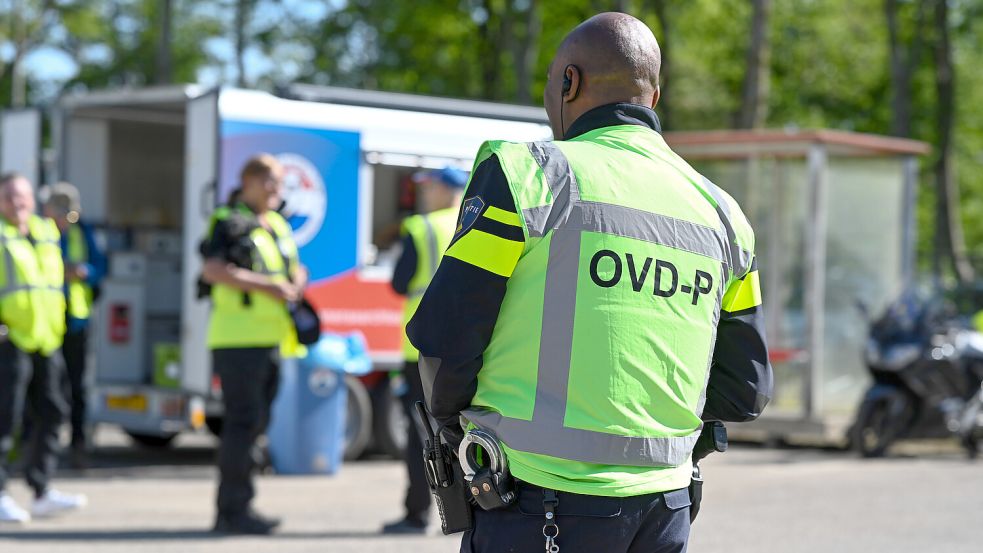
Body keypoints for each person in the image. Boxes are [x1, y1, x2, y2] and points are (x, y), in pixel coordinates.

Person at [407, 13, 773, 553]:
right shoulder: (722, 214)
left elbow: (446, 339)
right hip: (665, 507)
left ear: (568, 83)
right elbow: (745, 389)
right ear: (654, 96)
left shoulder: (528, 174)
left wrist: (456, 433)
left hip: (534, 501)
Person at [201, 154, 308, 535]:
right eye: (271, 183)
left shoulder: (277, 223)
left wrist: (296, 277)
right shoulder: (227, 221)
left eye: (280, 184)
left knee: (255, 424)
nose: (277, 191)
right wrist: (270, 287)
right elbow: (212, 270)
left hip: (272, 338)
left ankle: (238, 505)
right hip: (237, 340)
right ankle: (232, 511)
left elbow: (290, 265)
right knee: (242, 424)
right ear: (248, 181)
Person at [382, 166, 467, 534]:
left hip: (420, 350)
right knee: (465, 432)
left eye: (430, 186)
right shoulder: (475, 220)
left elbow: (400, 283)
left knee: (424, 436)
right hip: (467, 346)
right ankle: (472, 513)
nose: (425, 193)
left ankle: (417, 514)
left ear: (447, 189)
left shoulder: (421, 228)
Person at [0, 173, 87, 523]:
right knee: (5, 420)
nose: (17, 203)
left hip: (46, 339)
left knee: (53, 412)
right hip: (10, 340)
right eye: (9, 197)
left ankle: (41, 490)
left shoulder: (45, 232)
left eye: (22, 196)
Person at [40, 182, 106, 468]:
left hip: (77, 320)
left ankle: (78, 444)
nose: (67, 220)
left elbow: (100, 266)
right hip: (46, 321)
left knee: (79, 386)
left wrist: (83, 272)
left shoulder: (83, 231)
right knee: (47, 388)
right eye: (61, 214)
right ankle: (41, 448)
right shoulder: (40, 233)